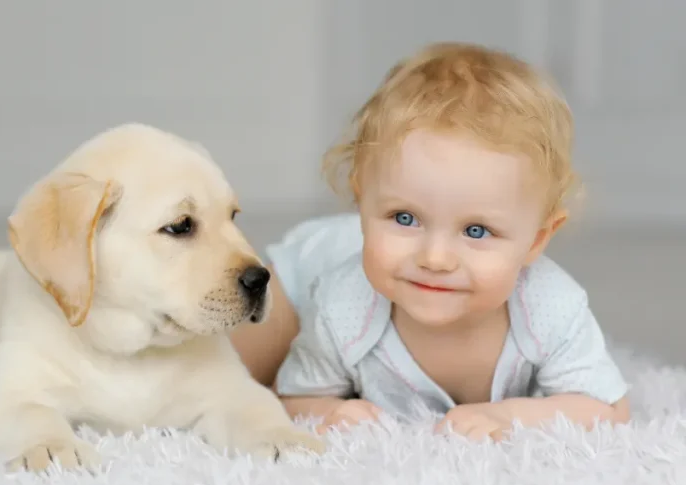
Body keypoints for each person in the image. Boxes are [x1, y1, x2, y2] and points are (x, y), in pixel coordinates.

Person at [230, 42, 630, 441]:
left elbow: (607, 407)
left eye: (476, 231)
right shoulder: (342, 304)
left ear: (536, 241)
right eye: (404, 218)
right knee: (235, 376)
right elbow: (293, 396)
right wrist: (334, 410)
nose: (436, 258)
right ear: (362, 205)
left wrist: (509, 416)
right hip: (305, 276)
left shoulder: (550, 308)